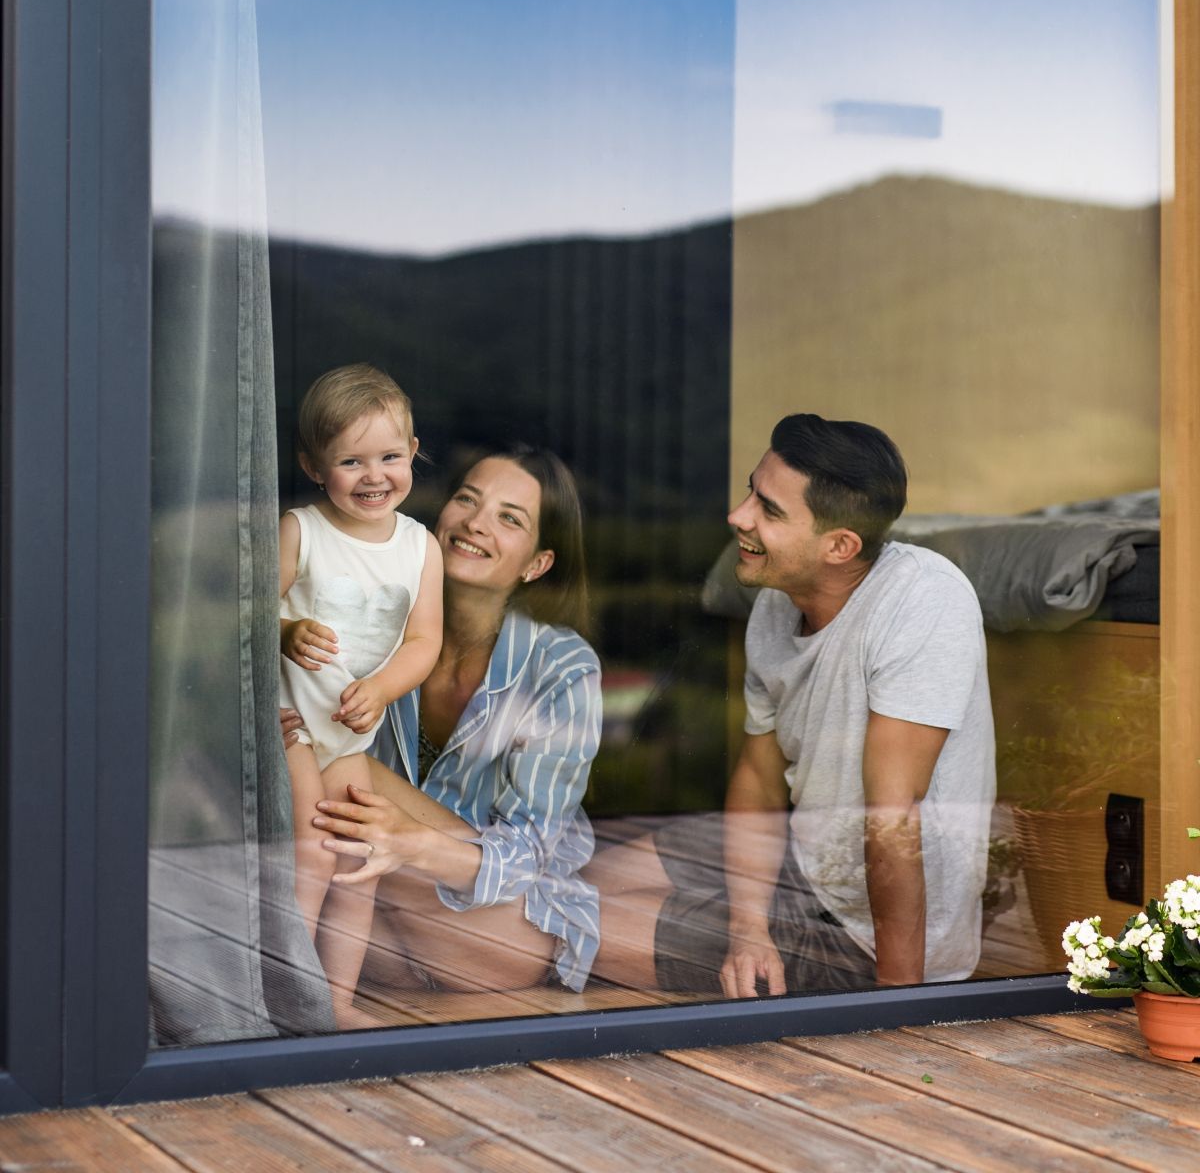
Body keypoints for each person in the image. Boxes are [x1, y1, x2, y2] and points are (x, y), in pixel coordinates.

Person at [586, 413, 995, 997]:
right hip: (800, 859)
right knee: (585, 887)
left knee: (564, 928)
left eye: (769, 510)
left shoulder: (924, 600)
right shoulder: (777, 603)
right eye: (750, 489)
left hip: (864, 938)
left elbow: (893, 821)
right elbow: (758, 777)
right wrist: (749, 927)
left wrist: (899, 1009)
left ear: (839, 546)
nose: (737, 516)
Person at [293, 444, 602, 1001]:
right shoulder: (375, 621)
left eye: (510, 519)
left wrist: (410, 845)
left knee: (342, 762)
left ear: (538, 563)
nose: (477, 524)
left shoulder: (561, 666)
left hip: (493, 934)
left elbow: (529, 855)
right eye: (467, 499)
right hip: (378, 922)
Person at [280, 364, 443, 1027]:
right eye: (351, 460)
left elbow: (423, 643)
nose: (374, 476)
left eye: (390, 457)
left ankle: (337, 1004)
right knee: (312, 852)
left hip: (346, 733)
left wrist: (379, 688)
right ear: (314, 466)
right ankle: (284, 1000)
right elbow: (241, 613)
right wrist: (286, 631)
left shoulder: (419, 547)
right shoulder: (302, 530)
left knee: (360, 860)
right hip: (288, 721)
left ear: (413, 453)